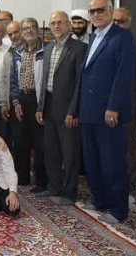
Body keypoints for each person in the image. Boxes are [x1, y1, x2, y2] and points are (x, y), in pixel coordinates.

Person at [79, 0, 136, 224]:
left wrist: (113, 106)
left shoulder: (122, 37)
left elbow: (123, 76)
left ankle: (118, 209)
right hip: (89, 112)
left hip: (109, 113)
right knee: (93, 161)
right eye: (92, 11)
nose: (96, 14)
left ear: (111, 11)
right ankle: (100, 200)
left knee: (112, 162)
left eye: (100, 10)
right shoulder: (94, 37)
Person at [35, 11, 87, 206]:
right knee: (51, 151)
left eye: (60, 22)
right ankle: (54, 186)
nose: (56, 26)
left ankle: (69, 192)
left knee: (69, 152)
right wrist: (40, 107)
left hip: (67, 109)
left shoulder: (79, 48)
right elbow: (44, 82)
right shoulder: (48, 48)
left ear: (68, 25)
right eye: (53, 23)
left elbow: (80, 83)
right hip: (49, 105)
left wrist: (74, 111)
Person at [112, 7, 136, 199]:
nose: (117, 25)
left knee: (128, 150)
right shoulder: (107, 43)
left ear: (128, 23)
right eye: (114, 21)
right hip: (107, 108)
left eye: (121, 21)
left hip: (129, 107)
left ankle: (129, 188)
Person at [9, 17, 46, 192]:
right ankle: (22, 177)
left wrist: (42, 106)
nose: (29, 31)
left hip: (38, 101)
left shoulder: (46, 50)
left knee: (40, 142)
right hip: (22, 100)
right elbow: (13, 80)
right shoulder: (18, 52)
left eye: (32, 27)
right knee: (20, 140)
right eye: (25, 28)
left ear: (37, 30)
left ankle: (41, 182)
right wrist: (15, 102)